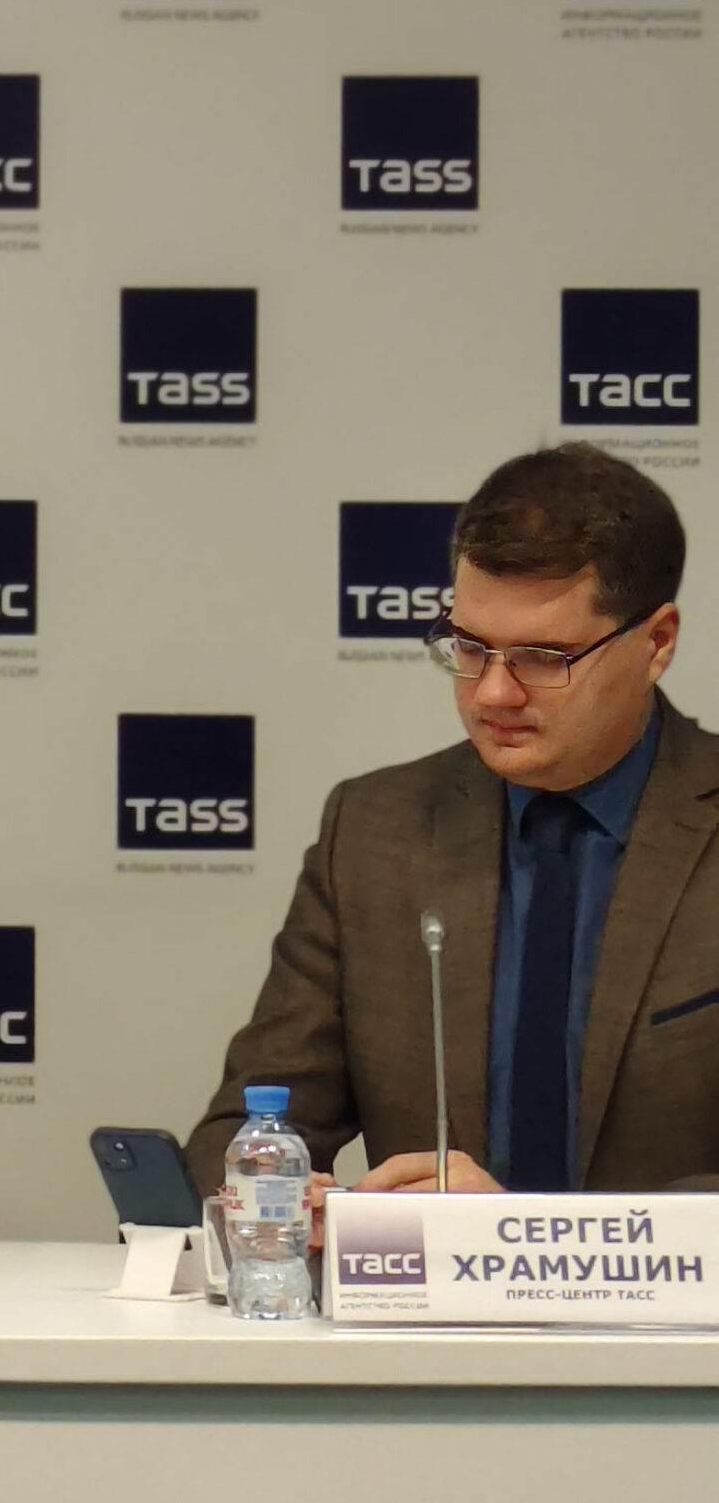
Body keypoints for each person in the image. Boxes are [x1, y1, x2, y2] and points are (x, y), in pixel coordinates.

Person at [188, 443, 719, 1203]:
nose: (494, 693)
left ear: (656, 642)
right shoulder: (374, 833)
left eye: (544, 657)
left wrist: (522, 1237)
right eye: (469, 647)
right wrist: (284, 1194)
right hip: (426, 1288)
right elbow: (251, 1124)